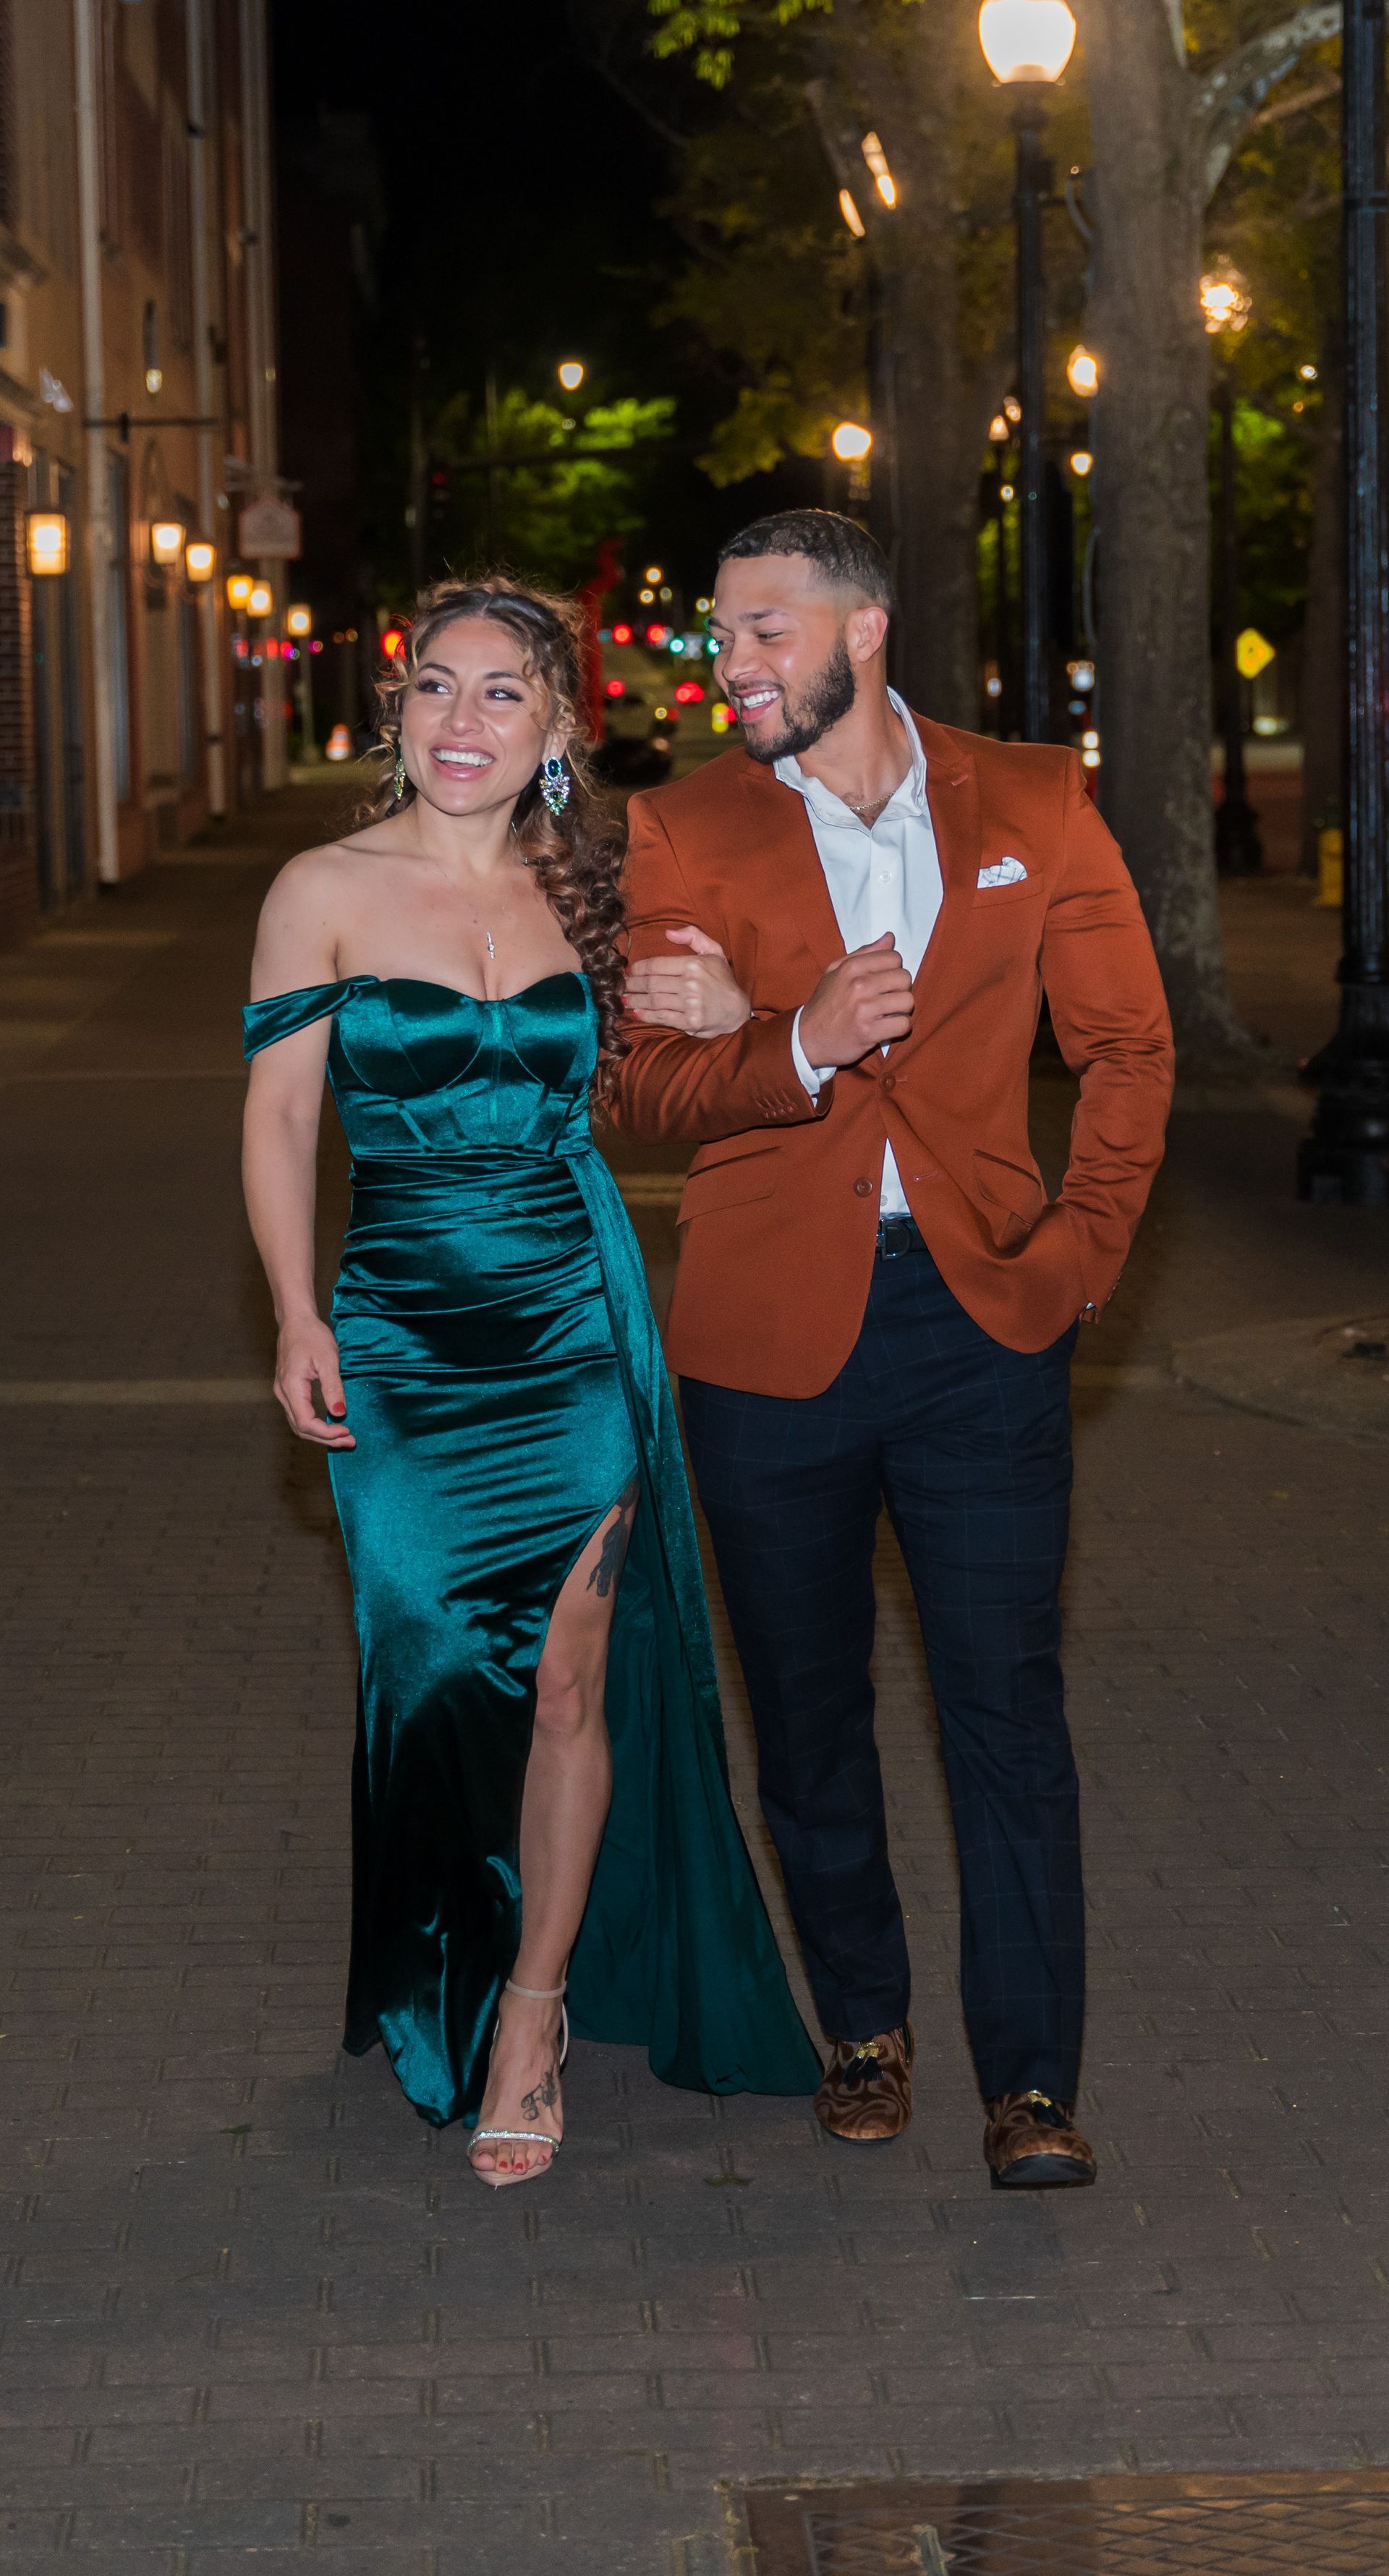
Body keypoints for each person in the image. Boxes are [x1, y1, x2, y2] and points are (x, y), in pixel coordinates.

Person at [241, 576, 820, 2190]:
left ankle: (534, 2014)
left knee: (568, 1673)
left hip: (576, 1311)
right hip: (410, 1323)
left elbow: (687, 1063)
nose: (464, 721)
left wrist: (747, 1013)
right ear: (397, 709)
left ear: (562, 730)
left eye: (505, 695)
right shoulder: (322, 889)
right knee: (429, 1670)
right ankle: (439, 1947)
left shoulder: (595, 893)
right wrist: (296, 1311)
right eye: (436, 687)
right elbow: (286, 1120)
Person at [620, 510, 1174, 2188]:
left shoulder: (1034, 800)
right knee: (806, 1707)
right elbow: (634, 1091)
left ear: (865, 627)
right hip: (766, 1332)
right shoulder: (685, 825)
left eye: (767, 632)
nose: (735, 666)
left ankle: (1032, 2081)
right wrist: (791, 1041)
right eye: (724, 637)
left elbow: (1130, 1046)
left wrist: (1078, 1261)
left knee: (1006, 1701)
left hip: (982, 1318)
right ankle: (864, 2017)